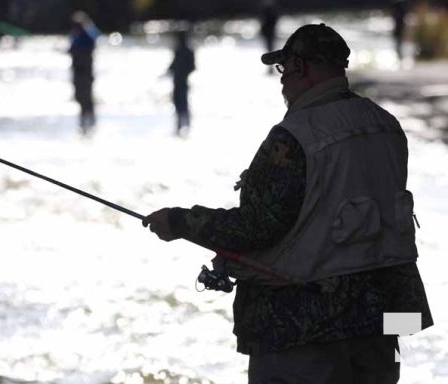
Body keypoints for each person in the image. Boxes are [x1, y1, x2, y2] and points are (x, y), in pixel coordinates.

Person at [142, 23, 433, 383]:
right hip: (385, 319)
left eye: (284, 69)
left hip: (306, 327)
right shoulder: (385, 124)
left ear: (302, 67)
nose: (281, 81)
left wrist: (180, 222)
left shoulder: (294, 136)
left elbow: (257, 225)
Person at [69, 11, 100, 135]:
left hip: (86, 73)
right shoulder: (75, 35)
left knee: (87, 98)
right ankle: (84, 123)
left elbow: (95, 39)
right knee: (80, 98)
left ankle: (91, 123)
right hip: (77, 72)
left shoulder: (88, 35)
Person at [168, 30, 195, 137]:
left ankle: (185, 127)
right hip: (178, 83)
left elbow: (192, 67)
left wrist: (182, 72)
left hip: (182, 83)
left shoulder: (185, 51)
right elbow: (172, 66)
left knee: (182, 105)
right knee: (179, 105)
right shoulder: (180, 51)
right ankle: (180, 127)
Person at [259, 0, 279, 74]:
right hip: (268, 33)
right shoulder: (267, 11)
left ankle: (271, 68)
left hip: (270, 33)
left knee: (270, 50)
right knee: (269, 50)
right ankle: (270, 68)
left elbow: (271, 23)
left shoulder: (270, 11)